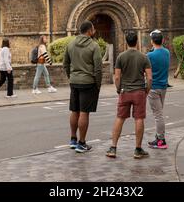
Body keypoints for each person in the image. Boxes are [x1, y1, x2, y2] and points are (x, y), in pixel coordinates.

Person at [106, 31, 152, 159]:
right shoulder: (144, 57)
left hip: (125, 91)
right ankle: (137, 149)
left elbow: (117, 77)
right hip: (139, 92)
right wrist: (146, 90)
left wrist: (119, 89)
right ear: (136, 41)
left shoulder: (121, 57)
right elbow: (149, 78)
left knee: (120, 118)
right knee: (139, 119)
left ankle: (113, 148)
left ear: (126, 42)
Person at [63, 20, 102, 153]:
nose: (94, 31)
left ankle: (73, 139)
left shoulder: (71, 43)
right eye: (93, 29)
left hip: (74, 82)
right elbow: (98, 69)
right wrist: (98, 84)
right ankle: (82, 143)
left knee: (75, 110)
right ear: (89, 31)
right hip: (88, 82)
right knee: (84, 112)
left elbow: (65, 64)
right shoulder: (94, 46)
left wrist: (71, 76)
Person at [147, 30, 170, 149]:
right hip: (163, 86)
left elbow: (146, 72)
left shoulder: (149, 56)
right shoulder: (167, 52)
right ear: (163, 40)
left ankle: (161, 140)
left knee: (158, 115)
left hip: (154, 87)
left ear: (152, 41)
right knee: (159, 113)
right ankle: (158, 137)